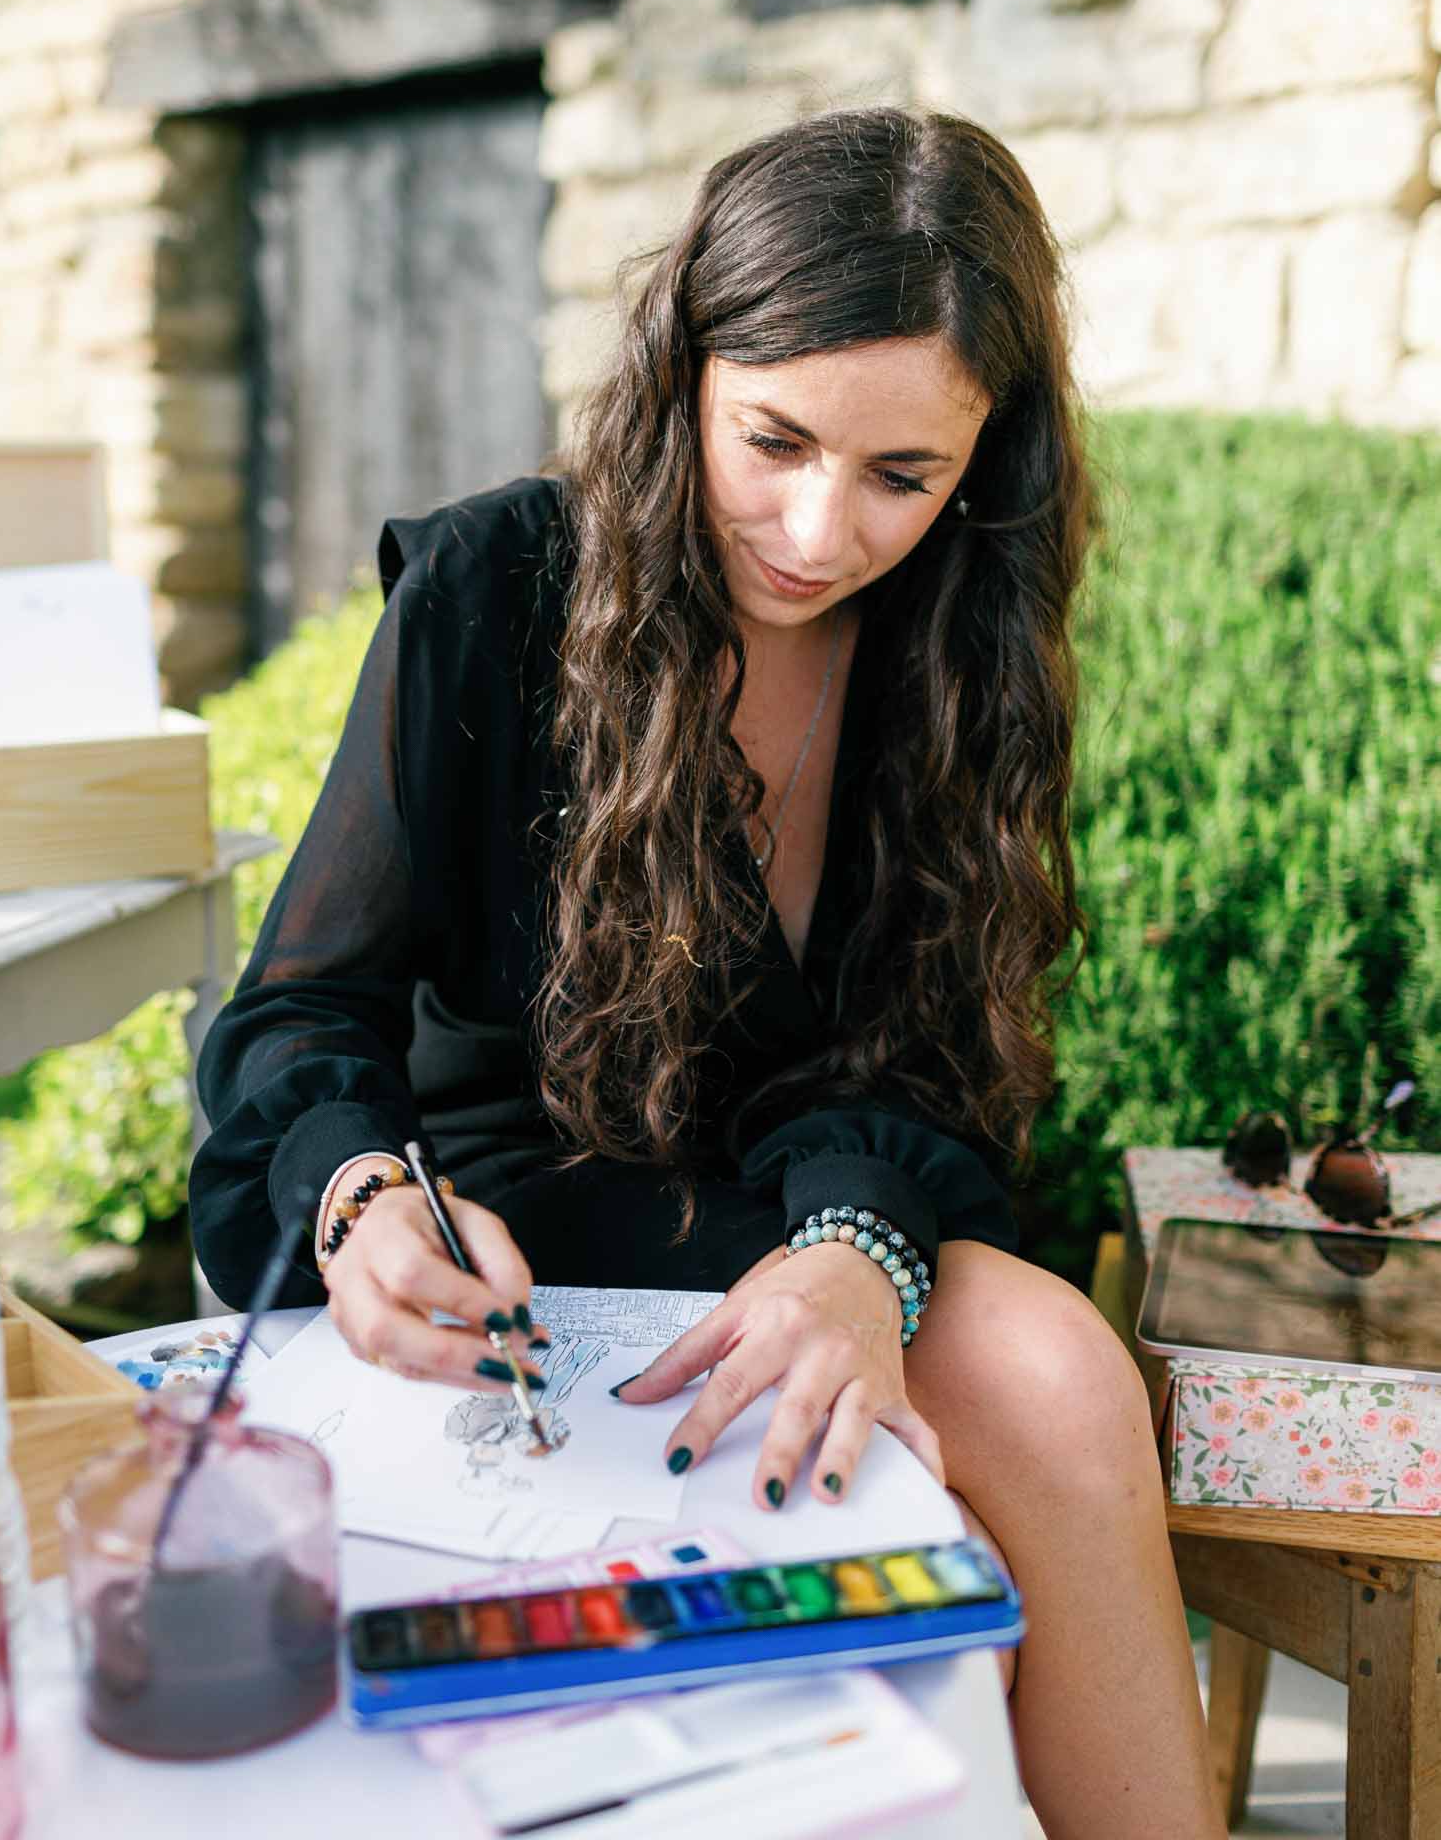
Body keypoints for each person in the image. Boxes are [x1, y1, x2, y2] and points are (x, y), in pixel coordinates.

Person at [191, 108, 1226, 1839]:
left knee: (1055, 1377)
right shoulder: (495, 588)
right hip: (518, 1234)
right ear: (683, 370)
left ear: (985, 457)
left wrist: (857, 1251)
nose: (818, 530)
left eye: (901, 475)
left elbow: (935, 1055)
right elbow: (303, 1009)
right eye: (774, 440)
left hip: (809, 1206)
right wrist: (362, 1198)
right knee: (987, 1459)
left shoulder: (961, 632)